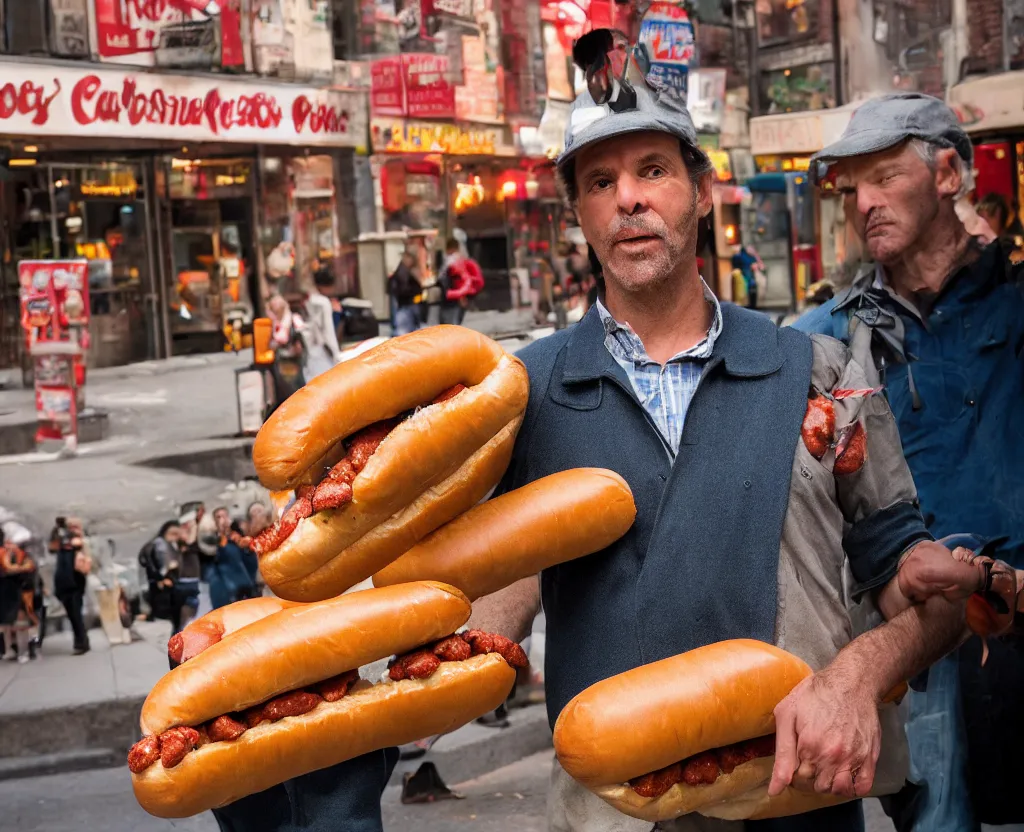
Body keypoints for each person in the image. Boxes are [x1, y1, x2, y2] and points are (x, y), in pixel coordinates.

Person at [465, 32, 969, 832]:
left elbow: (903, 573)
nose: (629, 198)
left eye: (653, 170)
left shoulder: (818, 371)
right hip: (611, 814)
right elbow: (498, 577)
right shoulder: (525, 394)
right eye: (601, 181)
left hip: (797, 801)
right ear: (578, 214)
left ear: (703, 191)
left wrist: (882, 643)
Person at [792, 93, 1024, 832]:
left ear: (949, 173)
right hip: (921, 650)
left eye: (885, 177)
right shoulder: (829, 339)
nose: (864, 203)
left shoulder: (1015, 302)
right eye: (850, 188)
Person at [50, 516, 90, 655]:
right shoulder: (62, 541)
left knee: (75, 613)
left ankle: (81, 643)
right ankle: (82, 641)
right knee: (72, 614)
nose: (72, 529)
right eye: (70, 526)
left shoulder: (79, 541)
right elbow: (52, 547)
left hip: (75, 581)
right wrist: (56, 530)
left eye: (75, 526)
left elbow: (78, 543)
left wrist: (71, 535)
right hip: (63, 581)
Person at [139, 520, 184, 635]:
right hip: (158, 578)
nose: (175, 537)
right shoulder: (160, 544)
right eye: (172, 534)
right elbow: (152, 563)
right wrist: (160, 577)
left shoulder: (168, 544)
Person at [208, 506, 257, 609]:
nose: (223, 520)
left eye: (224, 516)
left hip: (248, 587)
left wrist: (246, 548)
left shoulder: (237, 536)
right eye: (218, 517)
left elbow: (251, 561)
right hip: (229, 592)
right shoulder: (213, 540)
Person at [0, 528, 37, 663]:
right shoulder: (5, 555)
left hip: (20, 591)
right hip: (7, 592)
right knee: (6, 624)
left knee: (20, 623)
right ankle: (10, 650)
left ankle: (24, 651)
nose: (9, 545)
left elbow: (28, 570)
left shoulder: (22, 556)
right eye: (7, 543)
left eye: (11, 543)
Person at [302, 269, 343, 380]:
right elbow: (328, 331)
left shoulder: (308, 299)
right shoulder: (324, 303)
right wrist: (336, 354)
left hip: (309, 349)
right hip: (322, 352)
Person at [267, 294, 306, 406]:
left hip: (293, 361)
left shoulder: (294, 319)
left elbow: (300, 341)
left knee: (295, 392)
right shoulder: (273, 323)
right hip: (280, 363)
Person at [387, 252, 423, 336]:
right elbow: (404, 288)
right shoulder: (403, 271)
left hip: (406, 304)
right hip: (406, 304)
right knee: (404, 330)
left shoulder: (402, 270)